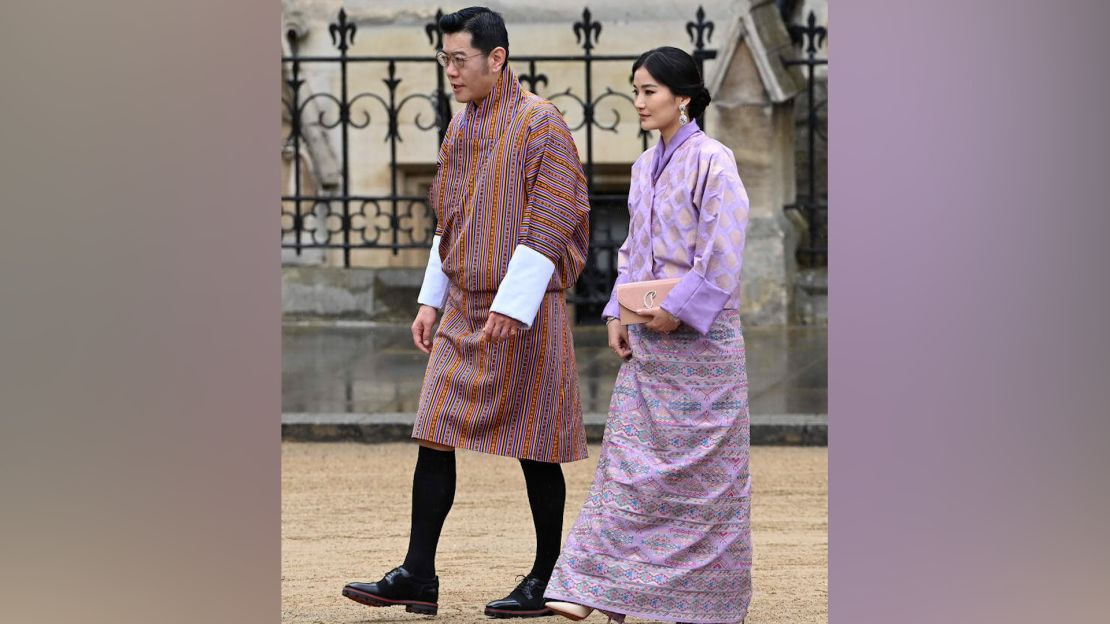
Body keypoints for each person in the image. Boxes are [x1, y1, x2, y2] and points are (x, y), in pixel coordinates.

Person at [340, 6, 592, 619]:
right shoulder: (461, 129)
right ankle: (418, 574)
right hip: (464, 303)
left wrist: (514, 303)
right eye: (444, 60)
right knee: (434, 430)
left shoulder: (542, 123)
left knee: (537, 444)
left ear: (496, 59)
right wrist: (432, 299)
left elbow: (555, 214)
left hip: (528, 311)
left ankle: (548, 578)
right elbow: (448, 220)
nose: (450, 71)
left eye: (459, 60)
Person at [543, 46, 753, 624]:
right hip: (650, 343)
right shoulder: (641, 167)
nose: (638, 101)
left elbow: (724, 251)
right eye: (635, 90)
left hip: (703, 346)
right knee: (628, 466)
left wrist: (679, 309)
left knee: (705, 480)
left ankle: (700, 603)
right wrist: (616, 312)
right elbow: (633, 250)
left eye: (649, 91)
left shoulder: (715, 160)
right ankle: (600, 589)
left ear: (682, 97)